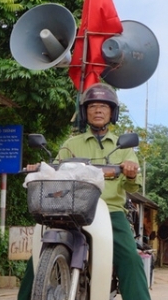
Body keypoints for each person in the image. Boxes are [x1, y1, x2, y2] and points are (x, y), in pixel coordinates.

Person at [18, 83, 149, 300]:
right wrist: (40, 168)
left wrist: (131, 172)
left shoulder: (123, 146)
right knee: (37, 256)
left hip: (110, 211)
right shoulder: (71, 144)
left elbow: (132, 186)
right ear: (84, 112)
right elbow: (55, 172)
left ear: (112, 112)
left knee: (130, 259)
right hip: (70, 207)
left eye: (104, 107)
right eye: (93, 106)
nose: (98, 110)